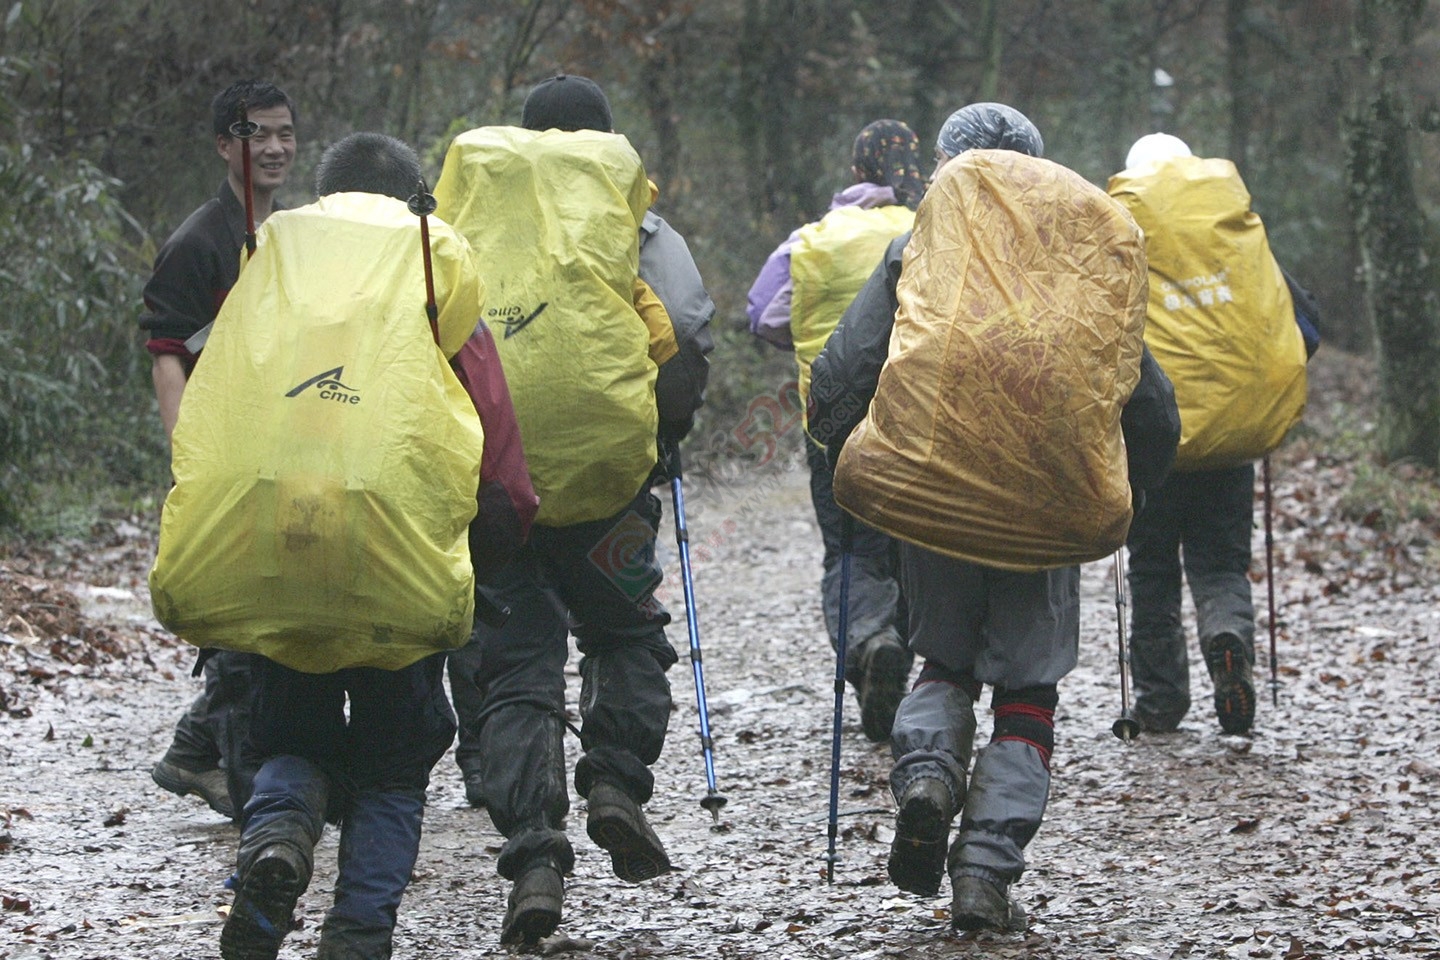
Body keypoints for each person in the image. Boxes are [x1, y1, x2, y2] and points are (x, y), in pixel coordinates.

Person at [809, 103, 1181, 932]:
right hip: (1044, 514)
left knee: (941, 662)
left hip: (935, 499)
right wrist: (1136, 486)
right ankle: (983, 873)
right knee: (1026, 695)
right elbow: (1145, 397)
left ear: (949, 163)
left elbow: (847, 366)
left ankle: (929, 780)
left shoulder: (921, 243)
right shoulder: (1079, 253)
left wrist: (844, 452)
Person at [185, 131, 528, 960]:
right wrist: (503, 538)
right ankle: (358, 934)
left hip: (275, 537)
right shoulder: (431, 282)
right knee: (392, 760)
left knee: (289, 732)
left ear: (323, 194)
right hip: (396, 549)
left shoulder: (274, 276)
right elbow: (496, 446)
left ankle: (277, 844)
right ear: (417, 199)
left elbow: (215, 397)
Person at [433, 74, 712, 946]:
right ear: (606, 144)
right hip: (611, 493)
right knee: (626, 629)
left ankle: (535, 854)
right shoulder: (637, 227)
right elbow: (689, 337)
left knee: (514, 667)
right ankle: (617, 780)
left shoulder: (461, 229)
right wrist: (661, 436)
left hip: (494, 491)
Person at [1109, 133, 1318, 737]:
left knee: (1151, 571)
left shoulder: (1123, 236)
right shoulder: (1232, 232)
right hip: (1228, 440)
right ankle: (1228, 640)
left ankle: (1159, 701)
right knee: (1221, 563)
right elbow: (1303, 325)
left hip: (1152, 441)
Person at [139, 79, 298, 821]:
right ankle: (241, 778)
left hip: (285, 455)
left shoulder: (294, 233)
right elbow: (168, 352)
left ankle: (196, 751)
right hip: (225, 459)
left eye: (284, 133)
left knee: (273, 602)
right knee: (244, 613)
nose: (272, 146)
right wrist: (189, 457)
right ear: (223, 145)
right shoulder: (198, 241)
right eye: (254, 133)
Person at [745, 119, 924, 742]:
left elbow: (762, 315)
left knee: (850, 549)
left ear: (854, 172)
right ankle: (901, 653)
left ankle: (869, 642)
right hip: (916, 421)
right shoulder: (924, 231)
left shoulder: (811, 239)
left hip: (833, 424)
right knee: (907, 546)